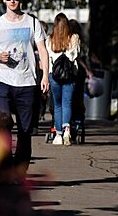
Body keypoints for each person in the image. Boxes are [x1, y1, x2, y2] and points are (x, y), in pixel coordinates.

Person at [0, 0, 49, 181]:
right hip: (3, 80)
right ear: (3, 0)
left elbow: (43, 51)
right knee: (3, 123)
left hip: (27, 81)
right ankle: (2, 169)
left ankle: (19, 172)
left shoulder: (32, 22)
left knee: (25, 130)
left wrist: (45, 75)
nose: (12, 1)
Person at [46, 13, 80, 146]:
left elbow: (48, 59)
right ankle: (67, 130)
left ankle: (58, 134)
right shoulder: (74, 38)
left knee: (57, 105)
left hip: (54, 75)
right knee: (67, 103)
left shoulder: (50, 40)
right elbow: (76, 55)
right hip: (69, 75)